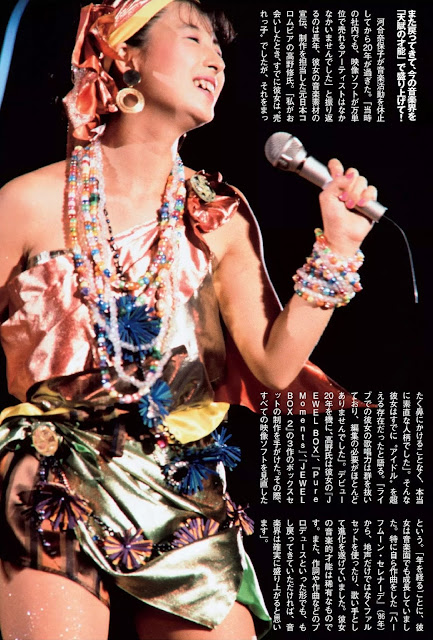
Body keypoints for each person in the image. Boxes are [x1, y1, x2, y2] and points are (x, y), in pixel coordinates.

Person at [0, 1, 376, 638]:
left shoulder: (218, 218)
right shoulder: (26, 203)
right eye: (194, 37)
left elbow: (274, 366)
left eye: (221, 51)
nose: (217, 60)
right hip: (55, 471)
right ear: (125, 54)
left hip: (183, 480)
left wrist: (338, 248)